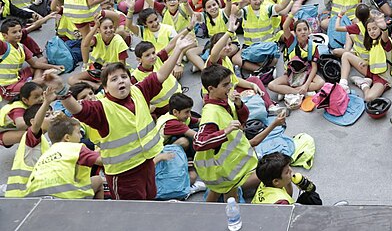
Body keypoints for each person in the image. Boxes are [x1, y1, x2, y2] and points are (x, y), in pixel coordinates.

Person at [47, 30, 196, 199]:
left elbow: (161, 74)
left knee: (150, 199)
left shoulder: (139, 91)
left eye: (124, 76)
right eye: (114, 79)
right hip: (123, 173)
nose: (121, 81)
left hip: (147, 163)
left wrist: (178, 49)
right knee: (131, 213)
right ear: (105, 86)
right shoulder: (101, 108)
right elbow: (77, 109)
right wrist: (61, 89)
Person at [194, 64, 286, 202]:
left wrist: (239, 104)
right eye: (225, 85)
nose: (230, 87)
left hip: (229, 165)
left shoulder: (224, 102)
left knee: (221, 193)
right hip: (220, 169)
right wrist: (225, 131)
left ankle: (207, 215)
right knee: (231, 199)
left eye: (230, 83)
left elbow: (242, 119)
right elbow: (199, 143)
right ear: (211, 89)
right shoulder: (210, 113)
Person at [24, 113, 105, 199]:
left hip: (33, 197)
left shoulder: (48, 152)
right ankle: (95, 212)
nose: (81, 136)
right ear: (67, 138)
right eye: (78, 133)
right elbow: (103, 161)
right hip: (64, 196)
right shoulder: (76, 148)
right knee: (98, 180)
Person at [252, 152, 319, 205]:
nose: (291, 171)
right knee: (313, 199)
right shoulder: (282, 203)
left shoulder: (266, 182)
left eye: (289, 167)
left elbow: (288, 195)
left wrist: (290, 180)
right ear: (276, 181)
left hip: (259, 212)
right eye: (287, 172)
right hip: (277, 217)